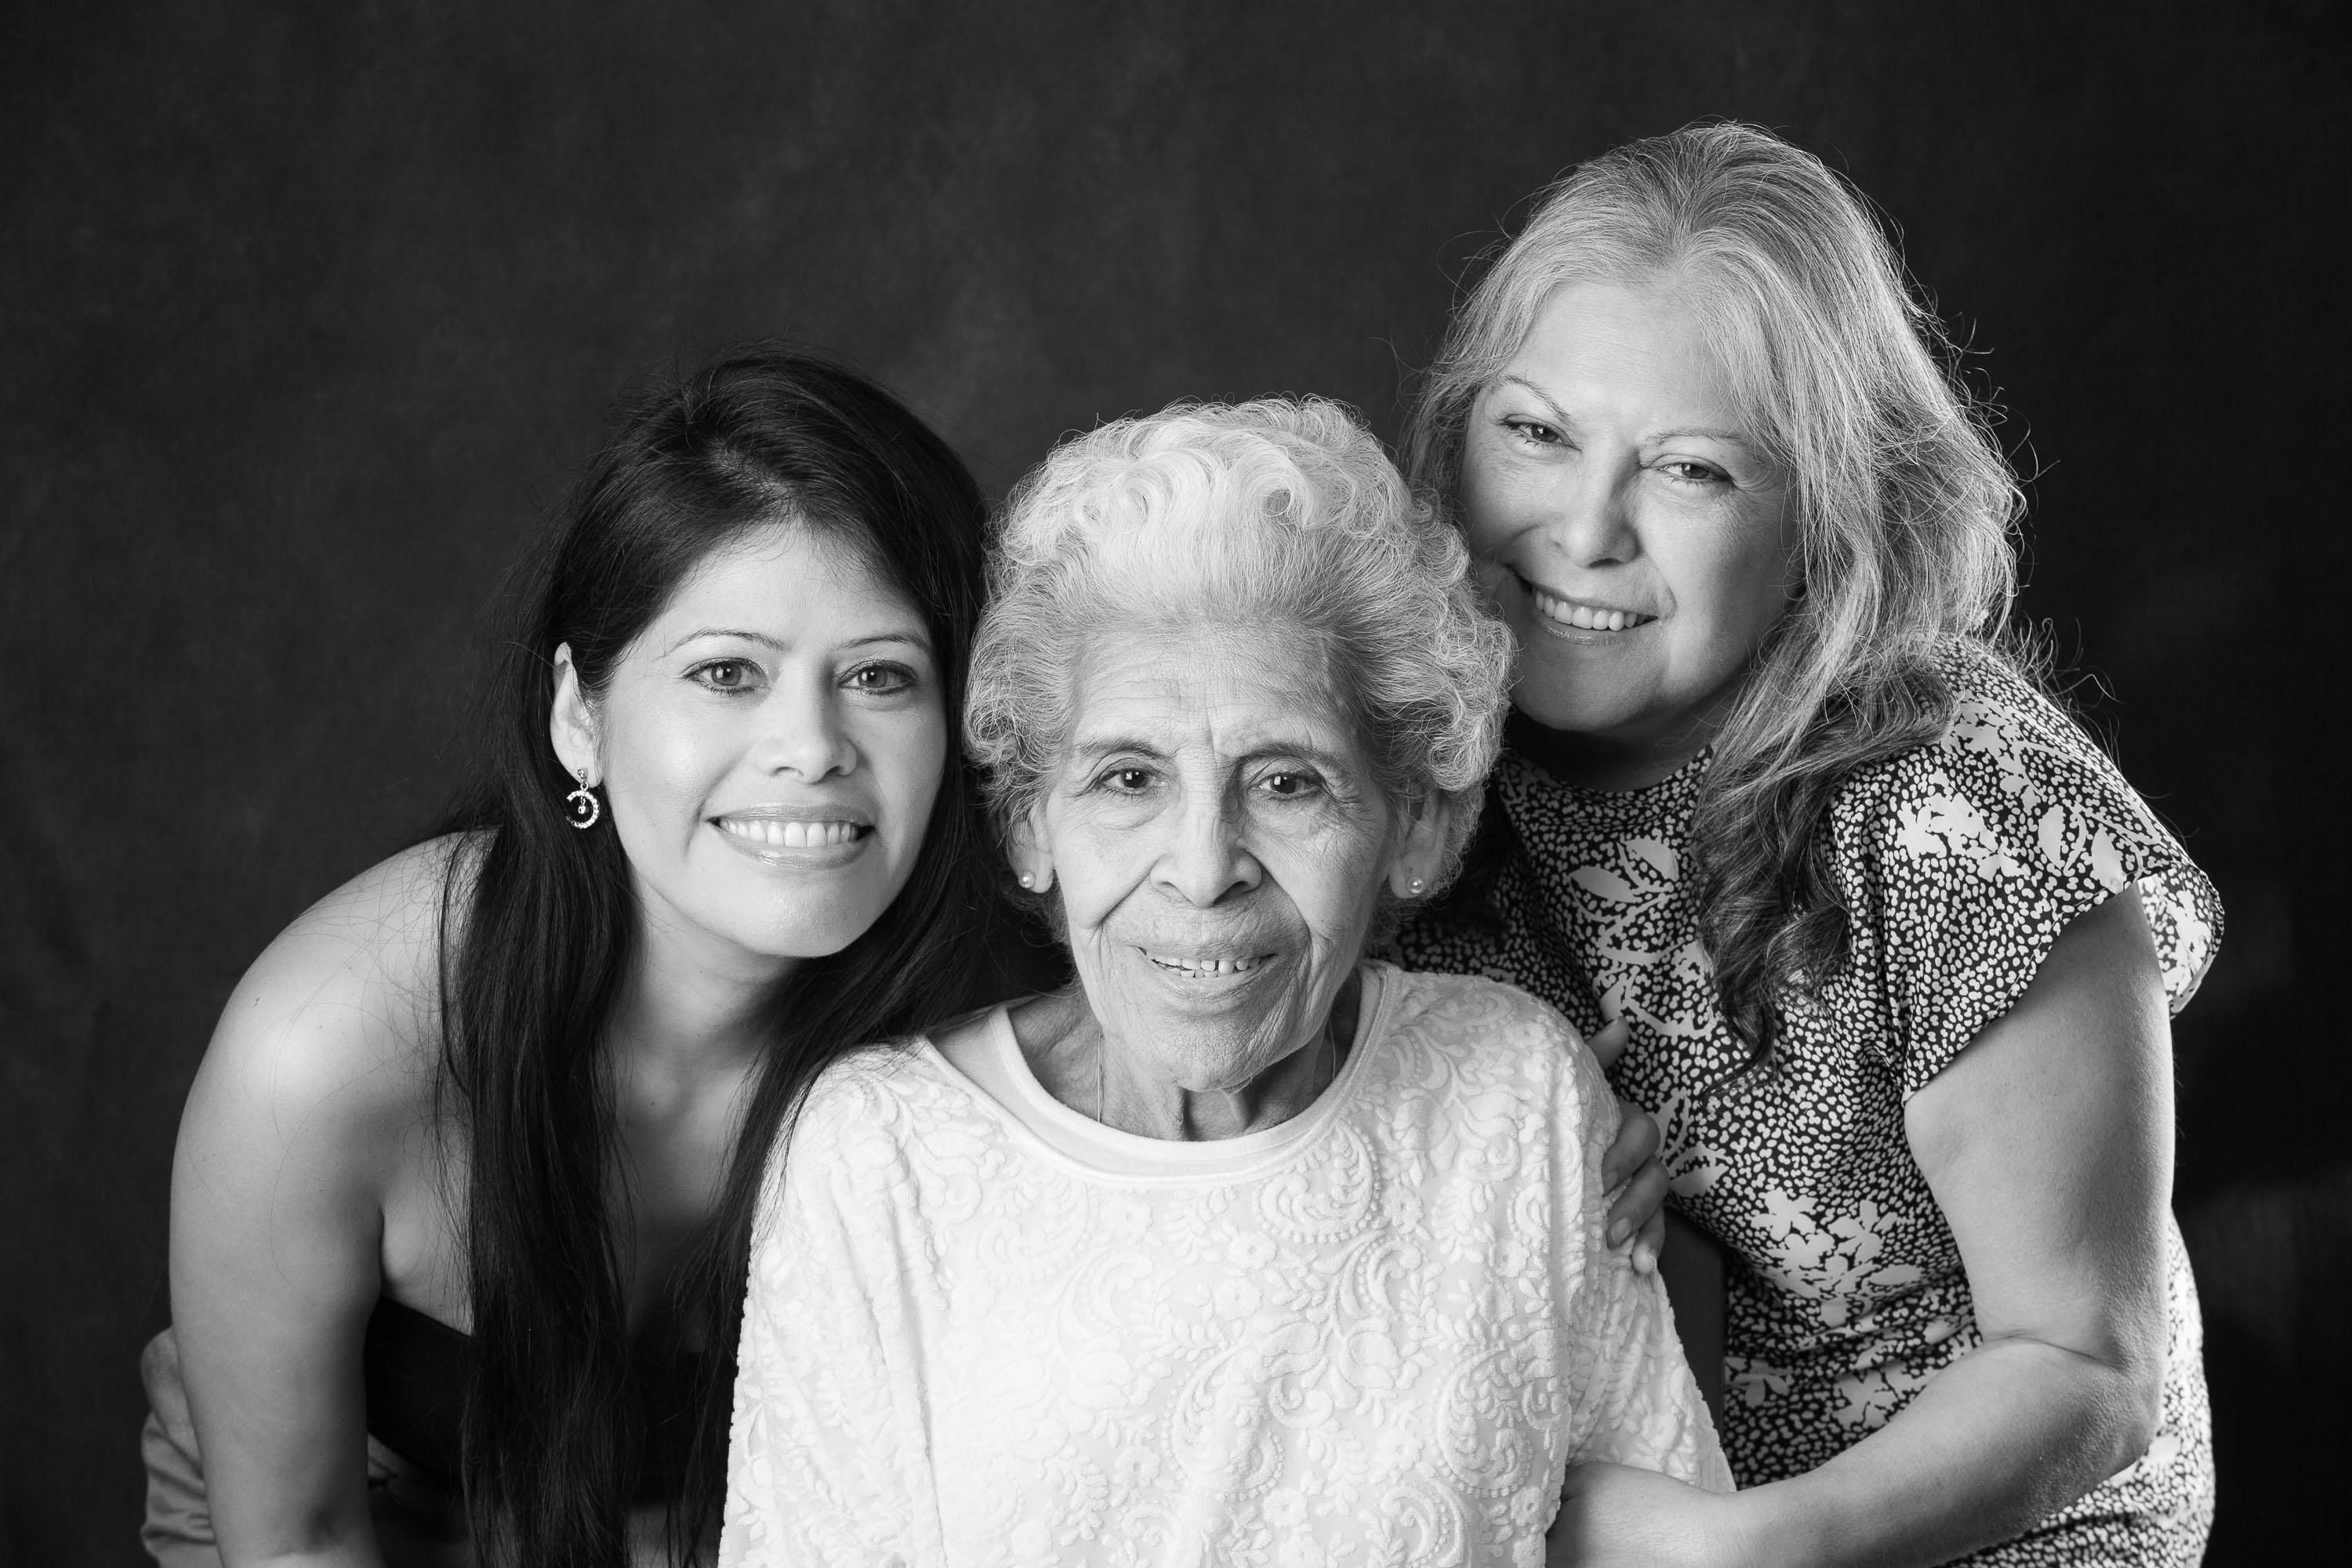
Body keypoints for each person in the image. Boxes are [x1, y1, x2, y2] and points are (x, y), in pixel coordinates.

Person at [1392, 122, 2223, 1566]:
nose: (1581, 530)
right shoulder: (1424, 774)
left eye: (1693, 470)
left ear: (1825, 515)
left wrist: (1746, 1552)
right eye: (1535, 431)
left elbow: (2088, 1366)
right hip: (1632, 1491)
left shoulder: (1953, 807)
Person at [718, 397, 1730, 1566]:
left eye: (1289, 783)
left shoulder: (1517, 1094)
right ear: (1030, 827)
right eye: (1128, 778)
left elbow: (1676, 1539)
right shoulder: (877, 1152)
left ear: (1411, 825)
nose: (1203, 871)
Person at [141, 343, 1030, 1567]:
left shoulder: (995, 1024)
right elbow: (294, 1537)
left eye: (880, 677)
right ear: (580, 717)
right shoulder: (325, 1051)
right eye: (728, 673)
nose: (812, 747)